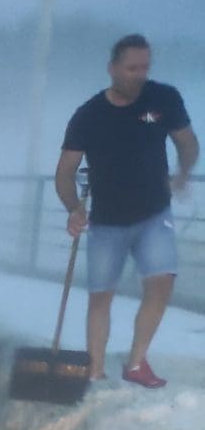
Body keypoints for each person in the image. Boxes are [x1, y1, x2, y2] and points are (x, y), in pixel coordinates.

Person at [55, 34, 199, 388]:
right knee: (101, 295)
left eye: (145, 67)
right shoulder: (88, 116)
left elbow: (188, 143)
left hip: (154, 213)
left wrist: (182, 173)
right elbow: (64, 173)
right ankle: (95, 369)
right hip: (106, 221)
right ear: (113, 68)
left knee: (162, 281)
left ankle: (136, 362)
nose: (139, 74)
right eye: (132, 68)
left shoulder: (163, 98)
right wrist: (74, 208)